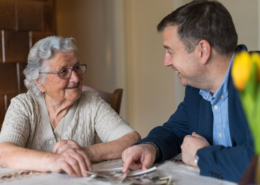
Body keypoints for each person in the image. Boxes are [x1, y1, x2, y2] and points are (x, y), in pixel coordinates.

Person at [122, 0, 255, 182]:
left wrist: (201, 156)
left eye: (170, 52)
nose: (166, 62)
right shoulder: (197, 87)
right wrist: (149, 147)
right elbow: (176, 129)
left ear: (202, 51)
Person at [0, 36, 141, 177]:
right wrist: (54, 160)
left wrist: (86, 152)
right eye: (63, 71)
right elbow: (3, 152)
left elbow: (132, 139)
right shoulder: (24, 105)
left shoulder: (91, 102)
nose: (76, 78)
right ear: (39, 82)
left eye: (76, 68)